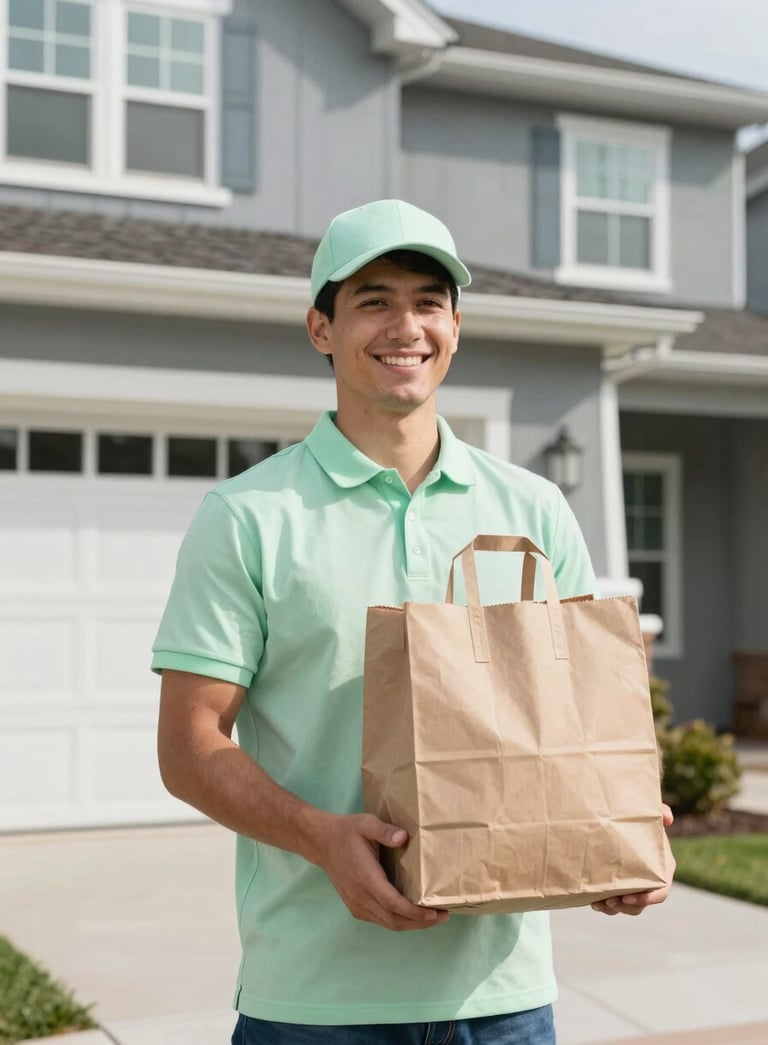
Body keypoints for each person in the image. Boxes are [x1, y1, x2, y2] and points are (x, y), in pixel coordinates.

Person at [152, 198, 674, 1045]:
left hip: (499, 999)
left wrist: (624, 835)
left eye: (429, 300)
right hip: (314, 1003)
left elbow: (590, 722)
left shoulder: (533, 510)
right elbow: (190, 743)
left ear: (457, 327)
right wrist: (322, 838)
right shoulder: (249, 515)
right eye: (374, 300)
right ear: (321, 328)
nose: (407, 325)